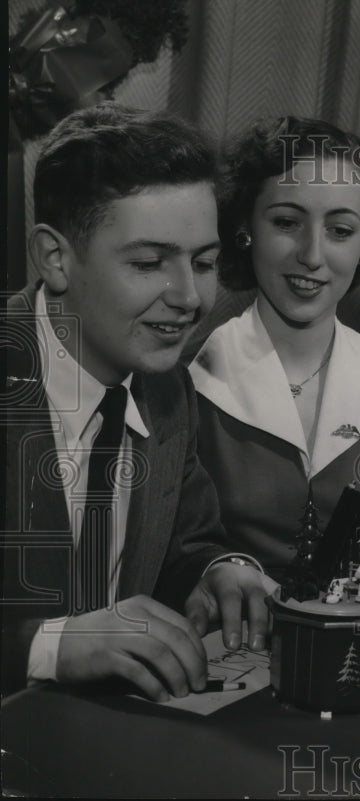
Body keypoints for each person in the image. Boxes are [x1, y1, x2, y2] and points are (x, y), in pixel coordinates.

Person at [1, 104, 270, 702]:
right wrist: (50, 646)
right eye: (149, 263)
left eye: (203, 263)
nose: (191, 298)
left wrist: (217, 571)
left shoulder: (169, 387)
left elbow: (187, 541)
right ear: (55, 257)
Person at [189, 117, 360, 584]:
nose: (312, 255)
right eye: (287, 223)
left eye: (340, 231)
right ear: (244, 228)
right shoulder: (186, 379)